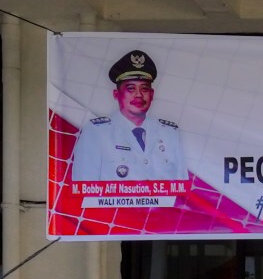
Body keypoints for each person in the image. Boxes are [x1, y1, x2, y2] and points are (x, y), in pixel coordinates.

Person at [68, 49, 188, 183]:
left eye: (144, 89)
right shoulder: (97, 132)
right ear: (116, 94)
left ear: (152, 94)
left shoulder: (169, 133)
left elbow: (182, 189)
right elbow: (84, 187)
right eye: (131, 88)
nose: (138, 95)